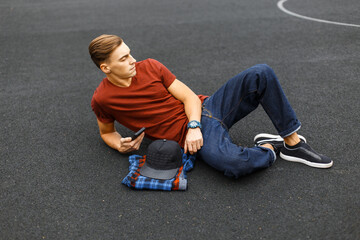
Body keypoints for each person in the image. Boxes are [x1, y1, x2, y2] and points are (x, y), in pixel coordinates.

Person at [88, 34, 333, 178]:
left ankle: (292, 143)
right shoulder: (103, 99)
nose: (133, 60)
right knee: (234, 164)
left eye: (130, 53)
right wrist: (120, 144)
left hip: (206, 110)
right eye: (124, 59)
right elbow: (107, 132)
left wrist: (194, 125)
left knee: (261, 73)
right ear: (105, 68)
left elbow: (190, 98)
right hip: (188, 140)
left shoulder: (150, 66)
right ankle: (270, 149)